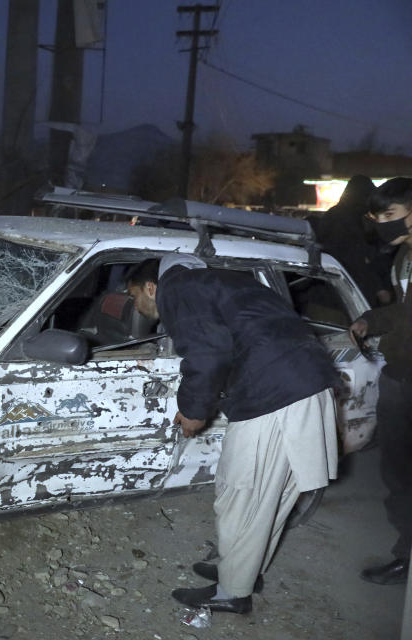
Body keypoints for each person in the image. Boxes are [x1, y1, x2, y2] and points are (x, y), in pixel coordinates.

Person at [125, 254, 339, 614]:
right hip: (308, 383)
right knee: (269, 496)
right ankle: (242, 569)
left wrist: (193, 410)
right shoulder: (219, 282)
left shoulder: (178, 287)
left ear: (151, 286)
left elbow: (208, 354)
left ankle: (232, 592)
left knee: (240, 491)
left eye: (134, 296)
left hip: (274, 394)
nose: (137, 305)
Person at [350, 176, 412, 586]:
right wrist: (371, 320)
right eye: (377, 217)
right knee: (399, 474)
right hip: (400, 375)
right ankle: (406, 554)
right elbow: (404, 313)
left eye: (390, 216)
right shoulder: (403, 256)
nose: (383, 225)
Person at [308, 175, 392, 306]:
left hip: (330, 288)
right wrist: (379, 288)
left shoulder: (336, 214)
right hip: (350, 291)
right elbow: (355, 256)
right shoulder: (351, 219)